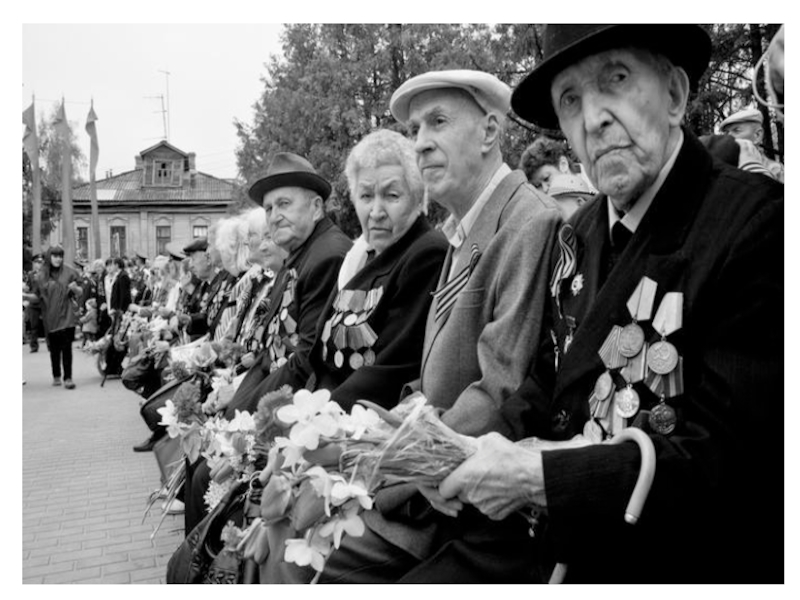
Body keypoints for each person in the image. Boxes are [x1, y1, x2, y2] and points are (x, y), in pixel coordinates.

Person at [433, 24, 783, 583]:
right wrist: (454, 447)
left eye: (614, 80)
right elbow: (549, 383)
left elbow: (732, 460)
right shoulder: (580, 231)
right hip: (544, 537)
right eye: (570, 100)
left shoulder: (757, 225)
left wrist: (538, 476)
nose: (592, 118)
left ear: (674, 95)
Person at [283, 69, 562, 585]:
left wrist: (398, 466)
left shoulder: (529, 221)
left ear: (490, 132)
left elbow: (497, 390)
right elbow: (432, 377)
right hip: (431, 472)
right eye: (415, 129)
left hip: (461, 494)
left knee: (318, 571)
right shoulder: (463, 230)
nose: (422, 143)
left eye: (438, 122)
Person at [183, 152, 352, 535]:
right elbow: (270, 349)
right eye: (270, 206)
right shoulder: (301, 256)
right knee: (202, 461)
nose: (274, 215)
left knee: (207, 476)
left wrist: (244, 417)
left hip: (299, 410)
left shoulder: (327, 255)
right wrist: (235, 405)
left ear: (317, 205)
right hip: (273, 395)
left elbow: (302, 360)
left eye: (285, 204)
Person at [30, 246, 83, 389]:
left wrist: (75, 288)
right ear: (49, 257)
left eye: (60, 256)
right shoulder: (41, 276)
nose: (58, 259)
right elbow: (36, 296)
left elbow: (80, 291)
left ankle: (68, 378)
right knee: (54, 349)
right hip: (50, 318)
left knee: (67, 348)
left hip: (67, 316)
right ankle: (56, 375)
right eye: (55, 256)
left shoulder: (70, 272)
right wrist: (23, 296)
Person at [719, 107, 784, 182]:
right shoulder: (721, 168)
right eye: (726, 133)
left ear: (757, 135)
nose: (729, 137)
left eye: (736, 130)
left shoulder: (776, 171)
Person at [518, 135, 582, 192]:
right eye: (538, 186)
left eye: (546, 179)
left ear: (563, 165)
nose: (545, 189)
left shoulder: (591, 179)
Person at [23, 254, 45, 353]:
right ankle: (34, 346)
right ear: (34, 264)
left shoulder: (46, 274)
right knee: (33, 325)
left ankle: (50, 345)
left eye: (40, 262)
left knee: (48, 324)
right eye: (37, 263)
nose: (38, 265)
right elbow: (28, 287)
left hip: (44, 301)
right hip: (33, 303)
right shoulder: (30, 275)